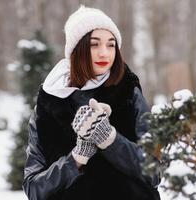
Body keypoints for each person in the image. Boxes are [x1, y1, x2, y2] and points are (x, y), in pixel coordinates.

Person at [22, 5, 161, 200]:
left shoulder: (128, 91)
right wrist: (76, 158)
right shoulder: (48, 103)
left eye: (111, 44)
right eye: (94, 44)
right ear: (76, 49)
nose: (105, 53)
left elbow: (154, 172)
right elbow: (33, 188)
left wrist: (109, 139)